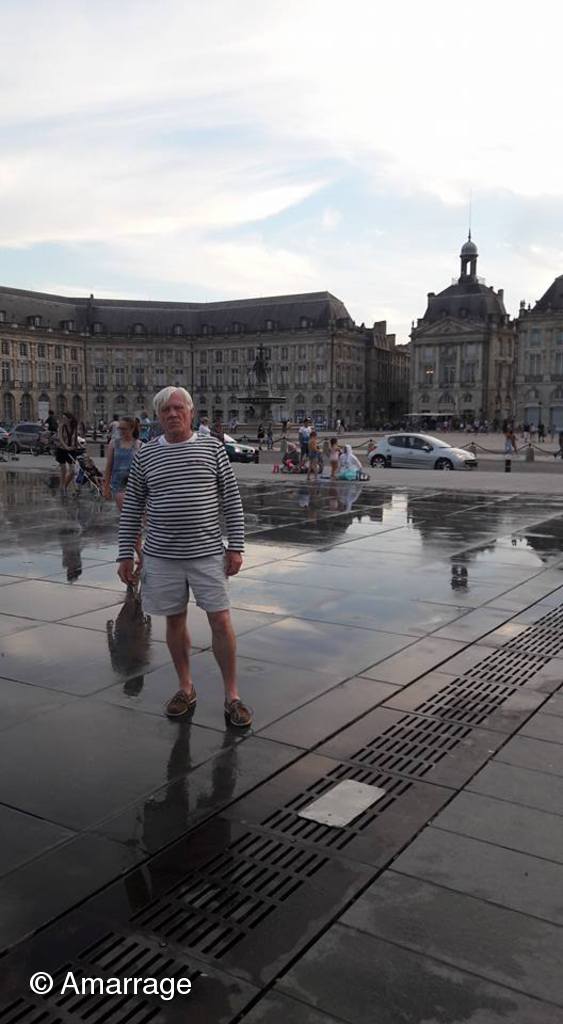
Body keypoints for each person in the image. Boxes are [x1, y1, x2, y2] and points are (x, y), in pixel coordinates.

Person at [117, 386, 251, 727]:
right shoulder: (146, 455)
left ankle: (232, 695)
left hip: (207, 553)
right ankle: (185, 687)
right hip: (162, 556)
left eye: (179, 408)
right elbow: (132, 506)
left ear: (191, 413)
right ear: (158, 416)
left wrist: (236, 546)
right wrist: (125, 554)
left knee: (220, 621)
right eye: (166, 410)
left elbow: (232, 500)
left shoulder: (212, 448)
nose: (173, 414)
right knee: (174, 622)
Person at [103, 416, 142, 513]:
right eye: (119, 428)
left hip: (134, 486)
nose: (121, 431)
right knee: (122, 513)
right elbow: (109, 466)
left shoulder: (140, 445)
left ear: (132, 429)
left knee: (132, 513)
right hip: (117, 485)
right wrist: (106, 487)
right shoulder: (113, 444)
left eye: (124, 429)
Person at [55, 412, 79, 492]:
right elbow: (60, 438)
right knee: (63, 470)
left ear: (70, 419)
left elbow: (75, 437)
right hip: (62, 449)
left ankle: (65, 485)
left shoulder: (74, 426)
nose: (63, 419)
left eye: (65, 418)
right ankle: (62, 487)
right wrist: (66, 447)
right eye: (62, 418)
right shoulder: (61, 426)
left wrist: (78, 445)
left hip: (72, 449)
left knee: (72, 471)